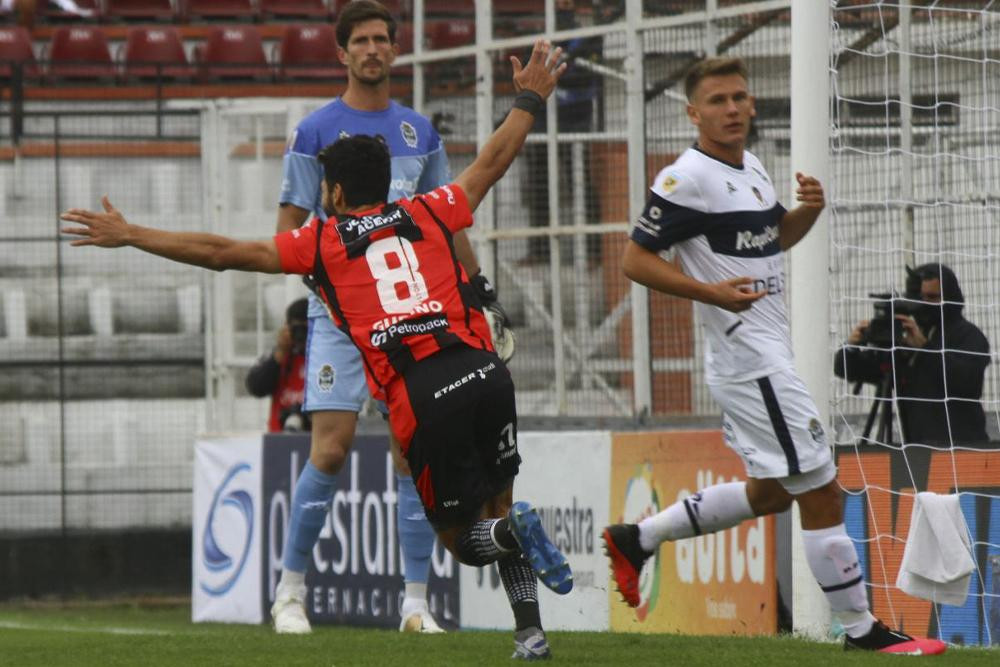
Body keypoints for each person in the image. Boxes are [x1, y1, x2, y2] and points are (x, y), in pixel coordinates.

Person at [62, 39, 572, 660]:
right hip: (485, 370)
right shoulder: (431, 209)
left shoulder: (322, 243)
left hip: (421, 392)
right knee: (502, 500)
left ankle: (509, 566)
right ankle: (531, 635)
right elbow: (493, 160)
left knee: (467, 541)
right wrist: (528, 98)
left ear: (332, 193)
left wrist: (133, 233)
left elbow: (223, 253)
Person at [602, 57, 946, 655]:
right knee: (822, 492)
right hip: (751, 362)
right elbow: (635, 260)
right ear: (693, 113)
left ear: (752, 104)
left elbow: (772, 239)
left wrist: (806, 213)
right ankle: (862, 632)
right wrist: (709, 292)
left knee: (771, 492)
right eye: (716, 101)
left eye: (739, 97)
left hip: (762, 355)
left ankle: (638, 537)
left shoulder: (754, 168)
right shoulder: (686, 178)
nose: (732, 109)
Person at [273, 0, 509, 635]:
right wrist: (335, 291)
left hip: (414, 322)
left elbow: (448, 218)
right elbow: (289, 229)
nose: (374, 49)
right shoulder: (313, 132)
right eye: (363, 40)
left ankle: (414, 605)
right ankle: (290, 594)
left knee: (412, 454)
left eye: (383, 38)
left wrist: (476, 286)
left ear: (395, 50)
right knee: (331, 449)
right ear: (342, 53)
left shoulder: (418, 132)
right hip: (344, 321)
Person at [834, 263, 991, 445]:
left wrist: (925, 349)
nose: (925, 304)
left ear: (949, 297)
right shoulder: (904, 337)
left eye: (932, 298)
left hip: (963, 447)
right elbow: (849, 369)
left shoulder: (968, 335)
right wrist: (852, 346)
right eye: (920, 298)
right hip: (917, 450)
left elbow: (968, 383)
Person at [520, 0, 602, 265]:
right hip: (545, 116)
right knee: (539, 182)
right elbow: (531, 70)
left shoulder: (586, 36)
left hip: (577, 116)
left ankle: (592, 251)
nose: (563, 6)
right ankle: (540, 250)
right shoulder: (544, 36)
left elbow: (580, 76)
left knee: (581, 180)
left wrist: (561, 70)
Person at [245, 297, 310, 433]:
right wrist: (280, 352)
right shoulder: (280, 356)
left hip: (316, 437)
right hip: (280, 437)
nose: (301, 335)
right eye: (296, 329)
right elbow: (256, 387)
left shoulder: (325, 358)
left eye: (306, 329)